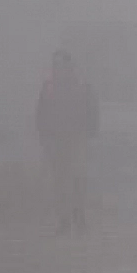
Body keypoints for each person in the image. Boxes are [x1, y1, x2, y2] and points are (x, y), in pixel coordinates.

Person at [35, 49, 98, 235]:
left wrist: (89, 133)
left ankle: (79, 215)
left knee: (78, 178)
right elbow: (41, 113)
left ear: (70, 66)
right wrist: (44, 136)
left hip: (77, 139)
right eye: (56, 64)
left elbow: (92, 111)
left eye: (61, 64)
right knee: (60, 181)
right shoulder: (48, 87)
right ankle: (64, 220)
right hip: (56, 141)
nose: (58, 68)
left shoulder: (82, 87)